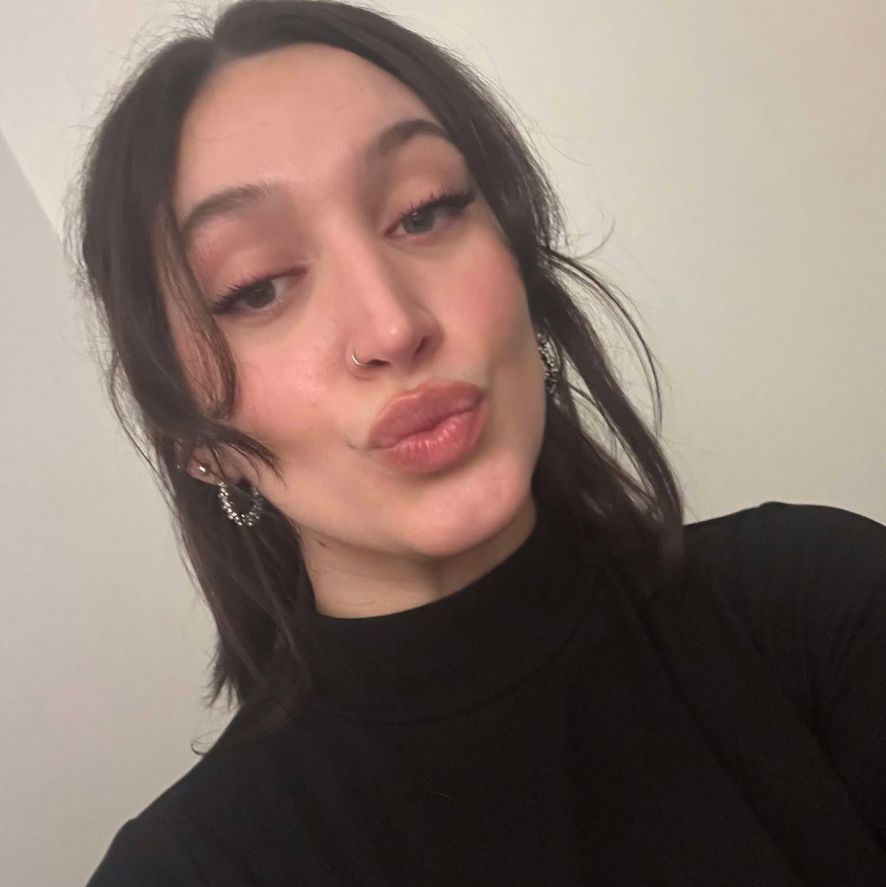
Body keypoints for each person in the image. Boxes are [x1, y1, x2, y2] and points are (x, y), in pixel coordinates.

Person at [78, 1, 886, 884]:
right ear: (197, 441)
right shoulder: (188, 869)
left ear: (521, 265)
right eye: (258, 286)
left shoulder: (817, 606)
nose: (393, 325)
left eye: (424, 212)